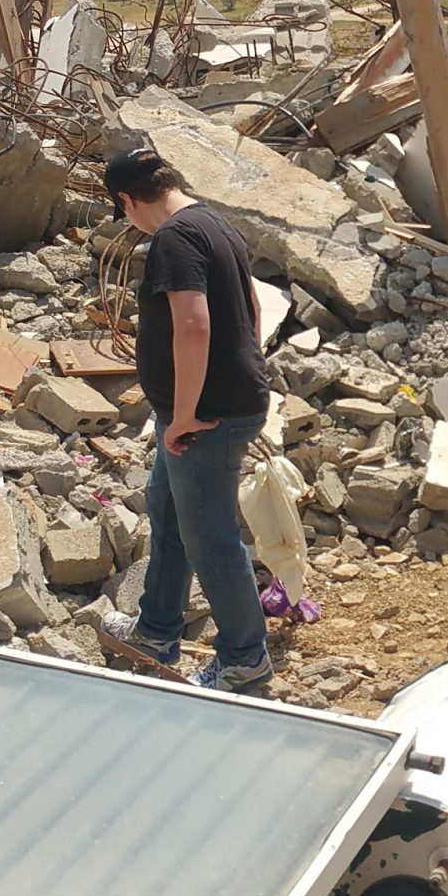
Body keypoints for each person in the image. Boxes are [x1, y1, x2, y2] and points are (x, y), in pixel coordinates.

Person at [97, 147, 276, 695]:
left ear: (127, 200)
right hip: (213, 407)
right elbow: (253, 307)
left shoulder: (175, 238)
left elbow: (193, 327)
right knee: (169, 511)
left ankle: (245, 658)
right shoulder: (215, 223)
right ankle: (155, 630)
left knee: (211, 539)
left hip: (205, 417)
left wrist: (188, 413)